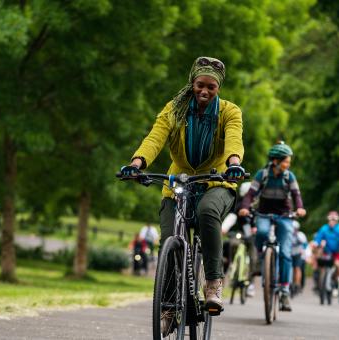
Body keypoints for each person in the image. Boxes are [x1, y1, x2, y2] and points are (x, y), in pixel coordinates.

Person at [120, 56, 245, 314]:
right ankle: (168, 307)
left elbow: (234, 139)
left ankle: (213, 283)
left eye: (211, 87)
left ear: (218, 88)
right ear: (192, 83)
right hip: (179, 180)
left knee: (208, 212)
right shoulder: (174, 109)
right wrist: (137, 164)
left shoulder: (229, 112)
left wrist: (233, 164)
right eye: (201, 84)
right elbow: (155, 137)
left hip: (218, 179)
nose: (205, 91)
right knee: (168, 239)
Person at [239, 141, 307, 312]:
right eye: (286, 161)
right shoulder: (262, 175)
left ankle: (284, 290)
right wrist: (245, 208)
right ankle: (261, 256)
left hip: (285, 216)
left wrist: (299, 208)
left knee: (285, 253)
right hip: (264, 214)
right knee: (260, 232)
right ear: (275, 161)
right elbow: (250, 194)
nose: (288, 165)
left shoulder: (289, 176)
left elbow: (296, 195)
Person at [311, 211, 339, 286]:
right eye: (331, 219)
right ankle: (318, 278)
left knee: (337, 265)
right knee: (319, 260)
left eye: (334, 220)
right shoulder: (324, 228)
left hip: (337, 252)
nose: (332, 221)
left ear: (337, 220)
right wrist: (316, 243)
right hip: (327, 251)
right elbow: (318, 238)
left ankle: (336, 279)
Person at [291, 220, 308, 294]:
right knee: (290, 268)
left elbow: (304, 244)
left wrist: (304, 252)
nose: (294, 230)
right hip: (290, 253)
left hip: (298, 253)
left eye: (295, 229)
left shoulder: (301, 235)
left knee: (297, 268)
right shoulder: (288, 234)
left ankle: (297, 284)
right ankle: (290, 282)